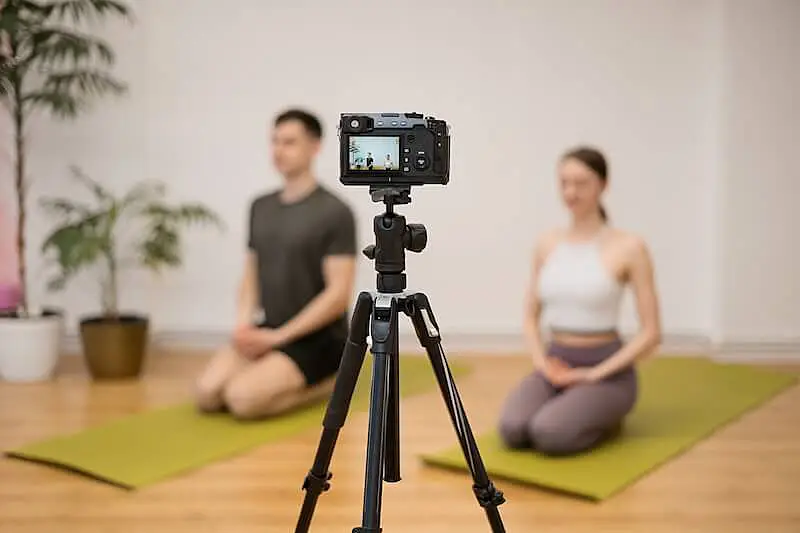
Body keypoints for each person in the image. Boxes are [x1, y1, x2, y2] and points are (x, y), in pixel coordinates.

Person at [194, 109, 358, 420]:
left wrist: (279, 338)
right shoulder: (260, 206)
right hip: (270, 326)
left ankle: (333, 380)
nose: (278, 150)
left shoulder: (335, 212)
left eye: (289, 142)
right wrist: (243, 326)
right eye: (274, 141)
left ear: (315, 146)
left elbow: (339, 296)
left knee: (241, 399)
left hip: (320, 339)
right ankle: (271, 372)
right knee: (207, 393)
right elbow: (251, 274)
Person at [497, 146, 661, 455]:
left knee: (549, 433)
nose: (571, 192)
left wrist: (592, 375)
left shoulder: (630, 247)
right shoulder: (547, 243)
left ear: (603, 185)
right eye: (564, 183)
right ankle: (572, 406)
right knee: (513, 429)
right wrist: (542, 363)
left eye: (581, 183)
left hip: (607, 371)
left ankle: (604, 414)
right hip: (555, 363)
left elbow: (652, 334)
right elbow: (530, 317)